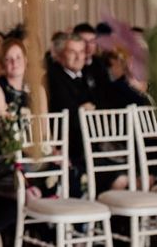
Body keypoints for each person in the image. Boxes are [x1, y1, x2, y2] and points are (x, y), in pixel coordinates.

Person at [47, 34, 97, 196]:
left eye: (81, 52)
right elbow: (64, 111)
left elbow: (102, 105)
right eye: (72, 52)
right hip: (68, 145)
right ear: (61, 54)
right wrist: (83, 110)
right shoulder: (53, 76)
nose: (78, 57)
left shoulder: (91, 74)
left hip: (92, 144)